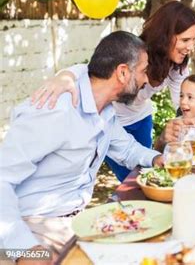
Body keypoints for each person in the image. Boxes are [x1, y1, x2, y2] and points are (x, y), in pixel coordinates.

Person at [0, 31, 163, 262]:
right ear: (123, 72)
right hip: (27, 229)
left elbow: (127, 150)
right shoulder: (54, 110)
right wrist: (24, 248)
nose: (147, 80)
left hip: (73, 225)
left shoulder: (105, 111)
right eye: (144, 71)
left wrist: (158, 159)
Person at [30, 1, 195, 182]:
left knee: (145, 172)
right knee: (130, 180)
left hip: (141, 120)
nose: (190, 47)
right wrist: (65, 75)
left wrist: (191, 121)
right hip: (114, 120)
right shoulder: (136, 51)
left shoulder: (177, 64)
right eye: (185, 40)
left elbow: (182, 102)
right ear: (166, 35)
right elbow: (97, 69)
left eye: (193, 40)